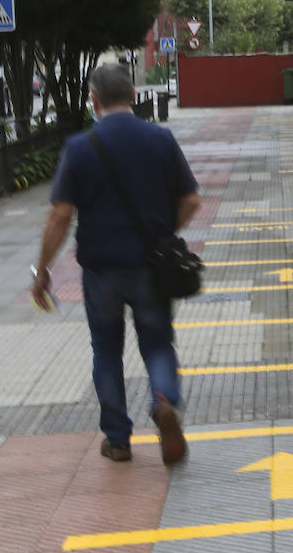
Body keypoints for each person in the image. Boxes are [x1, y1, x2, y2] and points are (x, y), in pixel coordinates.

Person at [30, 64, 201, 464]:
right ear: (135, 93)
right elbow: (191, 200)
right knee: (157, 343)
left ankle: (118, 440)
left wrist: (42, 270)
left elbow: (59, 215)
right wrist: (162, 235)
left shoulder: (79, 146)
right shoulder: (160, 139)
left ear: (94, 99)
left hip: (101, 268)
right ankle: (163, 402)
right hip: (149, 267)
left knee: (106, 351)